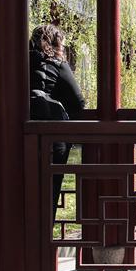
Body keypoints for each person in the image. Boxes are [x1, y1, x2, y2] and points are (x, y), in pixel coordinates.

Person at [29, 24, 86, 220]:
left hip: (19, 134)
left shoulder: (20, 61)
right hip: (52, 136)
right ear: (56, 44)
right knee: (50, 188)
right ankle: (45, 239)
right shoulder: (57, 63)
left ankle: (20, 241)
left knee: (20, 187)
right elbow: (79, 101)